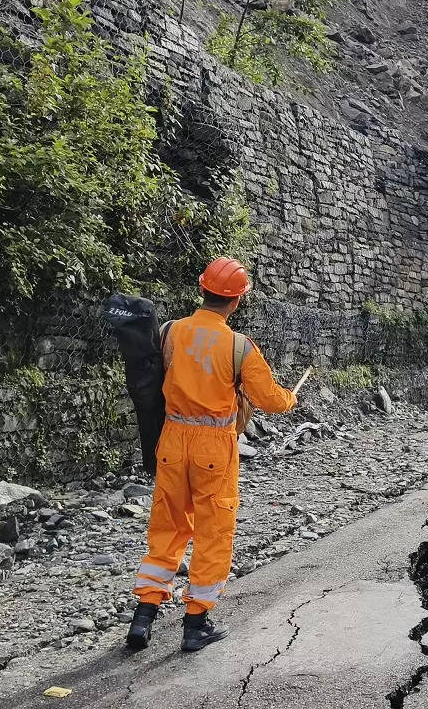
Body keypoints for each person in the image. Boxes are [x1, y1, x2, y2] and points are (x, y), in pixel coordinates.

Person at [126, 257, 297, 652]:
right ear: (236, 301)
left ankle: (144, 616)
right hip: (214, 449)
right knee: (212, 532)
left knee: (167, 526)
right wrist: (290, 399)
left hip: (170, 440)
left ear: (202, 290)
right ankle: (196, 622)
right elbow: (269, 400)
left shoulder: (170, 332)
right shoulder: (239, 347)